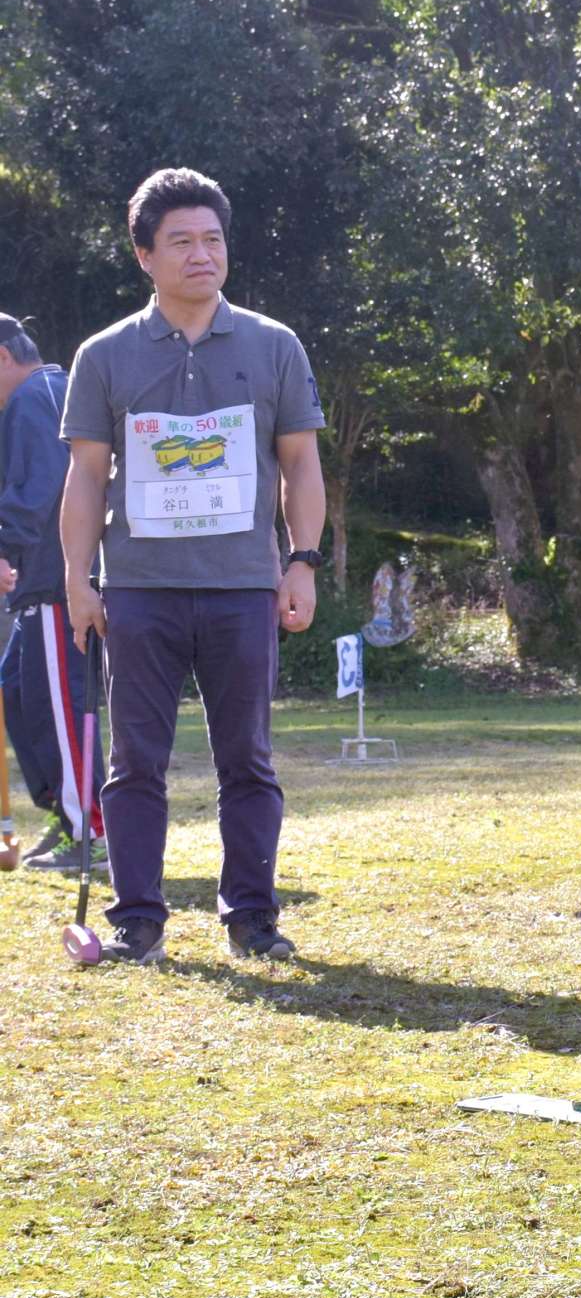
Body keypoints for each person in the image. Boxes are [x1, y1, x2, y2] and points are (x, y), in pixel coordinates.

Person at [60, 168, 326, 965]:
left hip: (244, 587)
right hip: (136, 591)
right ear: (144, 255)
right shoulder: (103, 355)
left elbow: (302, 466)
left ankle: (253, 918)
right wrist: (78, 578)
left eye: (212, 239)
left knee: (246, 757)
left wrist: (303, 561)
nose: (201, 254)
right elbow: (85, 478)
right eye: (181, 241)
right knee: (133, 762)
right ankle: (136, 921)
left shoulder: (274, 345)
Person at [0, 313, 106, 870]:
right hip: (43, 584)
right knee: (19, 689)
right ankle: (66, 817)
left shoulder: (35, 396)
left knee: (62, 706)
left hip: (56, 581)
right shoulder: (49, 392)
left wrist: (3, 546)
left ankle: (92, 828)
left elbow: (43, 484)